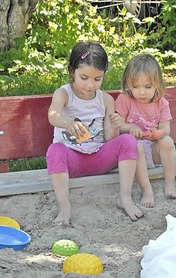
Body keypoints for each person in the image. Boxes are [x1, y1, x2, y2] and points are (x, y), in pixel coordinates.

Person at [46, 41, 143, 224]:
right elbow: (53, 115)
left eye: (97, 79)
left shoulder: (105, 99)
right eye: (84, 77)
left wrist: (115, 125)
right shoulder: (64, 94)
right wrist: (67, 123)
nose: (90, 85)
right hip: (72, 161)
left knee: (128, 141)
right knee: (54, 150)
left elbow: (109, 137)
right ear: (72, 71)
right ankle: (65, 207)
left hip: (99, 159)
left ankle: (125, 197)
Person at [115, 53, 176, 205]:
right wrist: (130, 128)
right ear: (127, 84)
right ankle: (147, 189)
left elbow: (165, 129)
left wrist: (158, 134)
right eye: (135, 87)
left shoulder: (161, 103)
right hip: (134, 154)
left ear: (157, 84)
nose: (141, 92)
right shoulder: (125, 99)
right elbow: (119, 125)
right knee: (137, 147)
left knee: (168, 142)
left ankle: (170, 183)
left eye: (147, 87)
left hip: (153, 148)